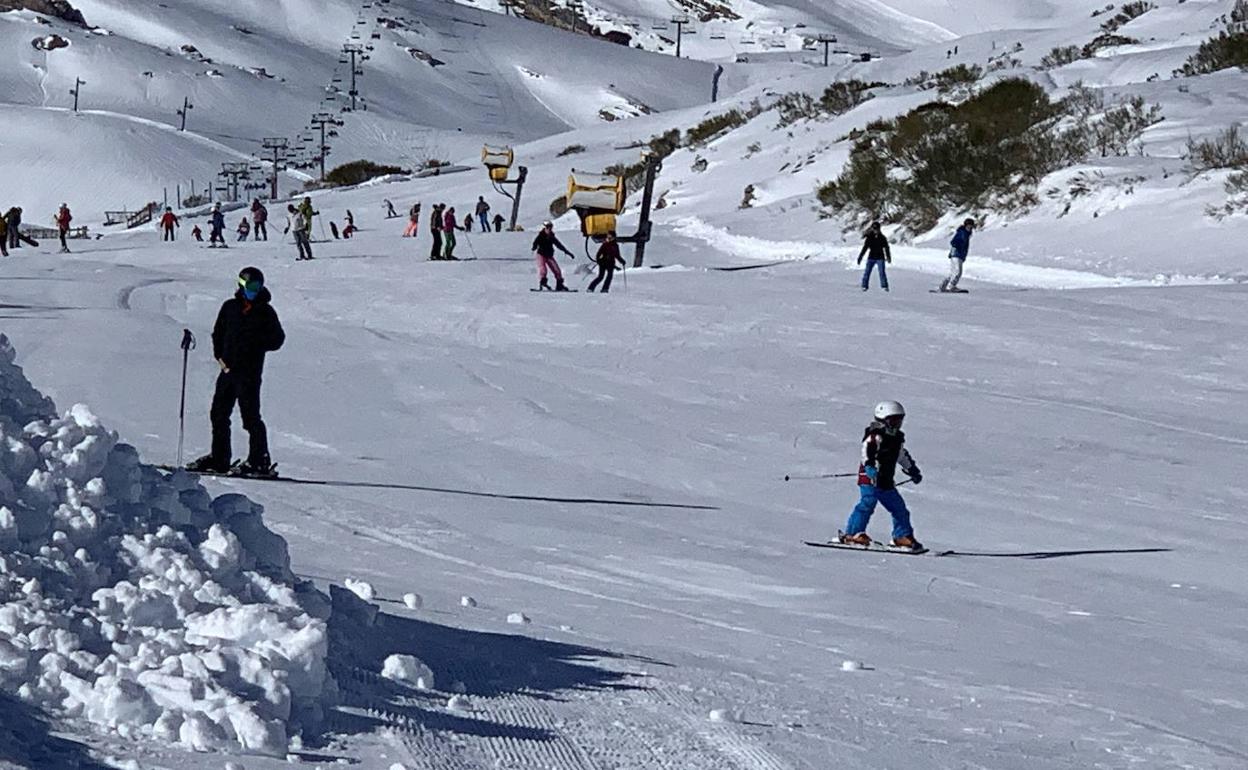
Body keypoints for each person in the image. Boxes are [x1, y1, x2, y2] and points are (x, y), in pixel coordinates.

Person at [187, 266, 285, 476]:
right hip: (228, 370)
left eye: (257, 286)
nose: (253, 290)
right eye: (250, 286)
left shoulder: (266, 312)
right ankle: (219, 458)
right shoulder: (229, 307)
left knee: (250, 418)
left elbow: (278, 339)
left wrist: (255, 344)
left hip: (249, 373)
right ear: (241, 285)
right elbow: (218, 333)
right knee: (218, 414)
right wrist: (220, 357)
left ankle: (259, 460)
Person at [839, 401, 924, 551]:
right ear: (882, 420)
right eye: (893, 421)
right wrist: (870, 467)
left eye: (899, 421)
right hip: (870, 478)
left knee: (899, 508)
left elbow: (901, 456)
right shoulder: (875, 436)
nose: (897, 425)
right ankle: (853, 534)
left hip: (885, 480)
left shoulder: (896, 439)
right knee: (867, 503)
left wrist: (912, 470)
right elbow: (867, 451)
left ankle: (902, 536)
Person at [532, 220, 574, 291]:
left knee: (557, 270)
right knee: (543, 269)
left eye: (550, 227)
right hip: (541, 255)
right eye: (548, 227)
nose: (549, 229)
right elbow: (535, 243)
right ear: (545, 228)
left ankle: (559, 285)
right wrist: (534, 247)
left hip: (549, 256)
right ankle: (543, 283)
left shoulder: (551, 237)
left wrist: (567, 252)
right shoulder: (540, 236)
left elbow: (558, 245)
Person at [940, 218, 975, 292]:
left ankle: (944, 285)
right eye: (969, 226)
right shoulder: (962, 232)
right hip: (956, 254)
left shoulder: (965, 234)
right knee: (958, 272)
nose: (970, 228)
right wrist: (958, 247)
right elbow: (953, 242)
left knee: (953, 272)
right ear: (965, 226)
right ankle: (951, 286)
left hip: (958, 255)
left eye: (971, 227)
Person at [857, 221, 891, 292]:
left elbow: (886, 248)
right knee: (867, 272)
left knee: (882, 272)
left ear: (879, 229)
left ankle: (884, 286)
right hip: (871, 257)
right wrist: (860, 257)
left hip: (880, 257)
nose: (875, 230)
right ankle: (864, 285)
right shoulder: (869, 238)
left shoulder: (882, 238)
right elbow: (865, 248)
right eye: (874, 229)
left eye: (877, 229)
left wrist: (888, 257)